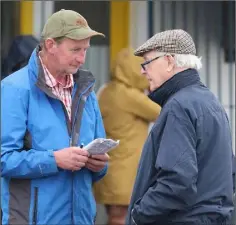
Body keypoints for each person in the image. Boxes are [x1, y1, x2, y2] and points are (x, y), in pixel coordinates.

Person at [1, 9, 109, 225]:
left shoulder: (87, 91)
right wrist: (55, 160)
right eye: (75, 49)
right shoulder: (14, 89)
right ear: (50, 45)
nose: (82, 58)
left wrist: (100, 165)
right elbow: (4, 159)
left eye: (85, 50)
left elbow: (99, 160)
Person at [125, 29, 234, 225]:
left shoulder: (179, 106)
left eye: (147, 62)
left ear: (169, 61)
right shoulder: (210, 102)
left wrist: (138, 214)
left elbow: (177, 182)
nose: (142, 70)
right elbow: (229, 172)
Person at [93, 48, 161, 225]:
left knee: (114, 217)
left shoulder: (107, 90)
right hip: (125, 171)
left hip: (111, 167)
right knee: (121, 219)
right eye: (143, 68)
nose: (145, 72)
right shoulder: (129, 95)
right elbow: (162, 112)